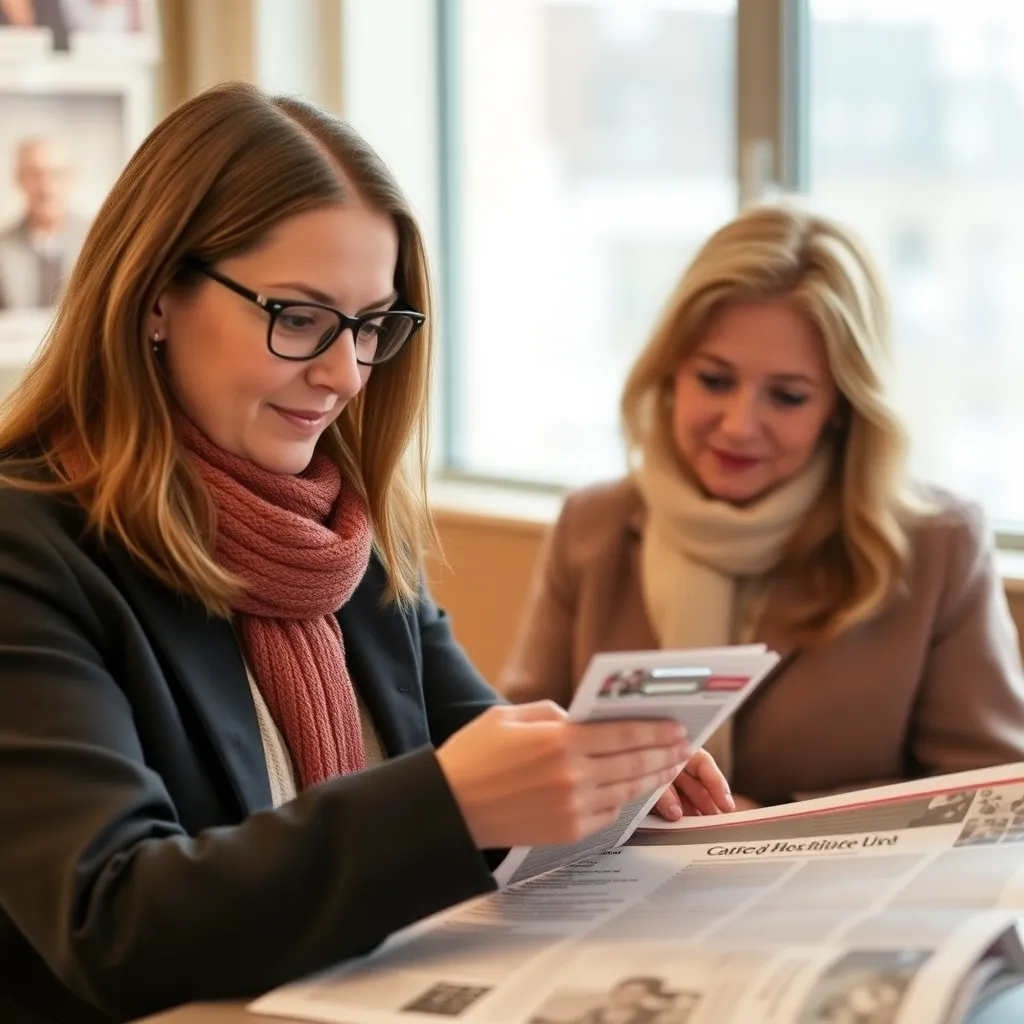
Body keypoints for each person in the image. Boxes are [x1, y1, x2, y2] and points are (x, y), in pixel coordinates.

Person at [0, 83, 732, 1024]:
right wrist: (451, 803)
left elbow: (482, 765)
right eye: (299, 317)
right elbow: (111, 922)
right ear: (154, 300)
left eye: (371, 324)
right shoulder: (27, 548)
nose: (346, 374)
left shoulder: (344, 534)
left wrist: (604, 778)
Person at [500, 202, 1024, 813]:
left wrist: (762, 823)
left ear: (841, 406)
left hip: (837, 899)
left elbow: (991, 797)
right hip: (614, 892)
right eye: (715, 381)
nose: (739, 426)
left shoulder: (939, 545)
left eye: (788, 396)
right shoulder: (592, 525)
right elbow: (522, 754)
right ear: (672, 373)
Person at [0, 135, 88, 310]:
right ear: (18, 179)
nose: (46, 187)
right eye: (35, 174)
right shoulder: (3, 246)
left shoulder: (97, 239)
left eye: (56, 174)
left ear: (71, 179)